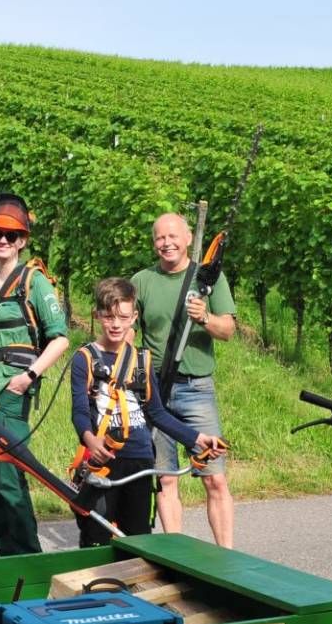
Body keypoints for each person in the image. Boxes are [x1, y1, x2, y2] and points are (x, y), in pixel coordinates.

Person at [70, 278, 225, 546]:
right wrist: (90, 440)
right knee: (96, 536)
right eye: (108, 317)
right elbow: (80, 411)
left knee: (138, 539)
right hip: (104, 462)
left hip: (140, 461)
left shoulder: (142, 360)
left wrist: (197, 439)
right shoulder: (85, 358)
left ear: (134, 317)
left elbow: (157, 413)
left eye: (123, 317)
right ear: (97, 315)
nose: (115, 324)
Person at [0, 194, 68, 555]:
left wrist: (29, 377)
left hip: (9, 390)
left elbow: (60, 338)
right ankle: (3, 552)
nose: (2, 242)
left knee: (9, 474)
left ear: (23, 240)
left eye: (10, 235)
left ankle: (26, 555)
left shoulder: (34, 282)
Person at [134, 212, 237, 547]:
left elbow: (228, 330)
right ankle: (176, 555)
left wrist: (204, 317)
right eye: (160, 238)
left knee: (215, 479)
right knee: (166, 480)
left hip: (197, 389)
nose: (166, 243)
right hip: (156, 391)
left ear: (189, 238)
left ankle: (227, 557)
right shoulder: (141, 281)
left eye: (173, 236)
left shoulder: (209, 278)